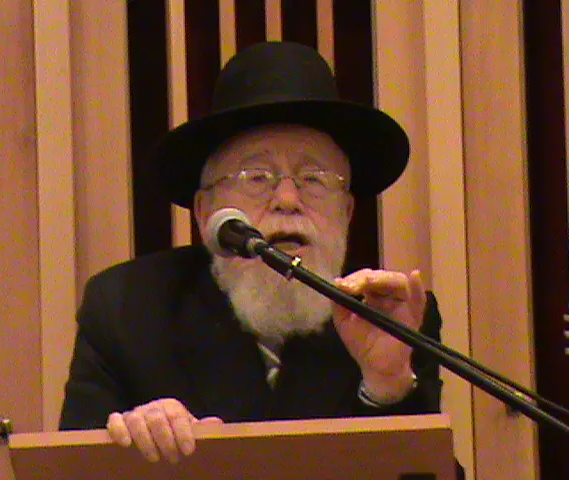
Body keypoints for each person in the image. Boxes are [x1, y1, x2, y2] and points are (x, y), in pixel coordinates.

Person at [60, 41, 459, 475]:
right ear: (205, 212)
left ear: (346, 212)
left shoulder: (387, 317)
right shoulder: (126, 309)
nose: (287, 199)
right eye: (256, 177)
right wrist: (135, 448)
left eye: (314, 179)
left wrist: (388, 387)